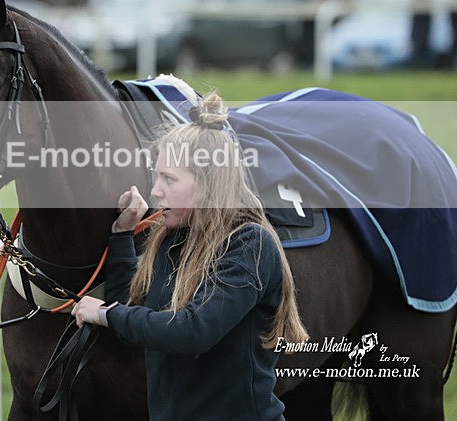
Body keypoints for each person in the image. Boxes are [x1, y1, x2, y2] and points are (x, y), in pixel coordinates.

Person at [71, 93, 308, 420]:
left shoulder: (250, 244)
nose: (155, 191)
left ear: (209, 184)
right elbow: (131, 310)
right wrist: (122, 234)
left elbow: (191, 333)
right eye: (157, 177)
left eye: (169, 179)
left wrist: (105, 315)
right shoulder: (171, 238)